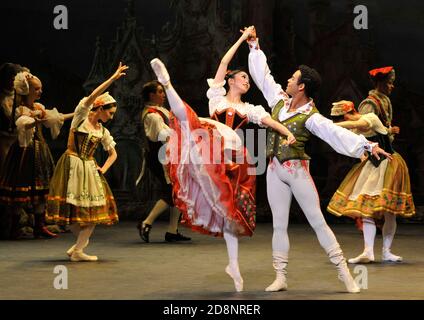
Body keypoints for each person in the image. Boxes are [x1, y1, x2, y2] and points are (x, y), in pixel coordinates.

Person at [149, 27, 295, 293]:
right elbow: (224, 62)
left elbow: (270, 121)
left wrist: (287, 133)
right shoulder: (216, 96)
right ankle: (167, 84)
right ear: (230, 80)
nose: (247, 81)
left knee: (230, 215)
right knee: (188, 119)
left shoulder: (249, 109)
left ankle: (234, 266)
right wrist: (242, 39)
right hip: (211, 144)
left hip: (234, 157)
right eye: (243, 77)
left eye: (248, 79)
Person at [246, 30, 392, 293]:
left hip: (297, 172)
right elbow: (263, 77)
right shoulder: (279, 103)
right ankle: (280, 275)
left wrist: (367, 145)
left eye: (292, 78)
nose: (288, 80)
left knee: (317, 222)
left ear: (302, 86)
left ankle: (345, 274)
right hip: (274, 170)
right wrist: (254, 47)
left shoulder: (310, 116)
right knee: (279, 224)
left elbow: (335, 133)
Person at [45, 62, 128, 261]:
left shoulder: (102, 131)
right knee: (76, 213)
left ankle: (78, 247)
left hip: (89, 169)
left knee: (91, 213)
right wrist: (113, 78)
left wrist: (103, 169)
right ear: (99, 108)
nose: (111, 116)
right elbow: (91, 97)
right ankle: (79, 248)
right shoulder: (81, 118)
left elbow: (113, 154)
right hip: (72, 164)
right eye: (109, 112)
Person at [327, 99, 415, 264]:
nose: (341, 122)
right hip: (372, 166)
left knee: (389, 212)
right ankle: (368, 251)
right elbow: (358, 147)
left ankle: (387, 251)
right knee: (366, 208)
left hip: (389, 164)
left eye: (341, 119)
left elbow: (362, 123)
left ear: (347, 114)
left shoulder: (370, 117)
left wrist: (333, 126)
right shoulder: (355, 129)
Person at [0, 70, 73, 239]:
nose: (40, 92)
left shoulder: (39, 107)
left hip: (40, 151)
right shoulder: (20, 109)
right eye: (37, 89)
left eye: (40, 89)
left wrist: (78, 112)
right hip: (24, 152)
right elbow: (22, 124)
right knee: (21, 188)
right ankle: (14, 228)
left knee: (41, 190)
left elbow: (56, 118)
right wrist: (35, 119)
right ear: (27, 91)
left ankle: (39, 226)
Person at [136, 80, 191, 243]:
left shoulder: (160, 111)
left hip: (167, 155)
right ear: (151, 95)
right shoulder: (152, 115)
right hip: (160, 157)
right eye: (159, 92)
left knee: (177, 191)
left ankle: (172, 231)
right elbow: (162, 136)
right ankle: (146, 223)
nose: (162, 95)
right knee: (172, 192)